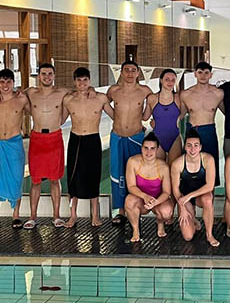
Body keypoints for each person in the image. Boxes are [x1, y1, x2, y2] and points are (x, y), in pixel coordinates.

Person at [61, 67, 114, 228]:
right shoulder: (68, 100)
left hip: (93, 139)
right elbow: (61, 121)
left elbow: (115, 116)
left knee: (94, 176)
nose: (82, 83)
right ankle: (72, 215)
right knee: (73, 178)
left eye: (85, 80)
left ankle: (95, 216)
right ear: (74, 82)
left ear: (90, 81)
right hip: (76, 140)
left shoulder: (100, 98)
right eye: (79, 80)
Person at [18, 63, 67, 229]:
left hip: (54, 138)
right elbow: (16, 96)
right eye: (44, 74)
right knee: (35, 180)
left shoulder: (62, 93)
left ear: (54, 76)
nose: (47, 77)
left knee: (55, 179)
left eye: (50, 74)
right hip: (37, 139)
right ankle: (32, 216)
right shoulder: (31, 92)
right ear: (38, 76)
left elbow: (79, 95)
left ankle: (56, 216)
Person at [107, 60, 153, 226]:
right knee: (117, 173)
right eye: (126, 70)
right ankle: (120, 212)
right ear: (121, 72)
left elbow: (156, 105)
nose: (130, 73)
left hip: (136, 136)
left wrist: (152, 119)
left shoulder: (145, 91)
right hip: (117, 136)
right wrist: (115, 116)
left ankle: (137, 208)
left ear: (138, 73)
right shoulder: (114, 91)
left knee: (136, 174)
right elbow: (100, 103)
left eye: (133, 70)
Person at [0, 69, 30, 230]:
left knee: (16, 178)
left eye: (8, 82)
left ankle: (16, 215)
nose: (5, 85)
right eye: (2, 82)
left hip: (14, 143)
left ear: (13, 82)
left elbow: (37, 108)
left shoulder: (21, 99)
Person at [171, 129, 220, 247]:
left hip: (199, 196)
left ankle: (209, 234)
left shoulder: (208, 160)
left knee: (208, 199)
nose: (192, 149)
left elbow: (210, 185)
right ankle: (193, 219)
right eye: (189, 145)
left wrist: (189, 196)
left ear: (200, 147)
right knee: (188, 237)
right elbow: (176, 189)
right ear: (185, 147)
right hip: (184, 199)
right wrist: (181, 207)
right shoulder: (177, 164)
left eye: (195, 145)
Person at [179, 61, 224, 185]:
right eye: (200, 72)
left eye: (206, 73)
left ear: (211, 74)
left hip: (209, 130)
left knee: (211, 168)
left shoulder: (218, 94)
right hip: (192, 130)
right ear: (195, 74)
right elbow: (179, 116)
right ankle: (191, 200)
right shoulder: (186, 94)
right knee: (189, 166)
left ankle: (209, 202)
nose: (203, 75)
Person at [125, 133, 174, 242]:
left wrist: (155, 202)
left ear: (157, 150)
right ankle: (136, 230)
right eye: (146, 148)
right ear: (141, 148)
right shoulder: (133, 162)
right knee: (129, 201)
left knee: (167, 212)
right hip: (141, 199)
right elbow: (131, 186)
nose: (149, 152)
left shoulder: (163, 167)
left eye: (152, 148)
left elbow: (166, 192)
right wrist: (145, 196)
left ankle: (160, 223)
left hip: (158, 200)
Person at [145, 68, 182, 163]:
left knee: (174, 170)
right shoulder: (152, 98)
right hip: (157, 138)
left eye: (173, 80)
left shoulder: (178, 98)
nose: (170, 82)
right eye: (167, 79)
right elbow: (145, 117)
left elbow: (186, 113)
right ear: (161, 80)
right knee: (158, 170)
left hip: (174, 138)